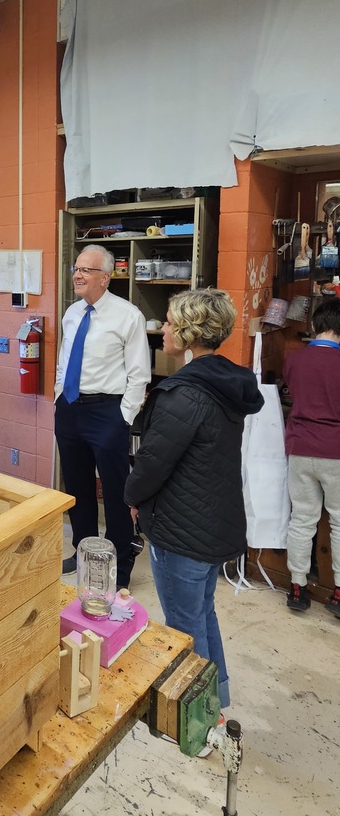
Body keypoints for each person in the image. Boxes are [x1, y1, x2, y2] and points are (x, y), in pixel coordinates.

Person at [125, 289, 263, 712]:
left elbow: (153, 462)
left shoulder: (185, 393)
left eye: (168, 322)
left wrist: (132, 496)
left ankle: (199, 721)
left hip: (181, 527)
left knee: (184, 628)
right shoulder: (224, 382)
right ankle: (215, 703)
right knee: (203, 614)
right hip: (213, 520)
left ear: (188, 331)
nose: (162, 329)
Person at [54, 245, 151, 587]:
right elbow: (65, 360)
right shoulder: (72, 313)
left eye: (86, 270)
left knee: (115, 491)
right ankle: (82, 550)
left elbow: (139, 374)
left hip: (107, 411)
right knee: (77, 486)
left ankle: (120, 564)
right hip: (69, 409)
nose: (77, 275)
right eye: (76, 269)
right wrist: (58, 396)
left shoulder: (128, 316)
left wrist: (123, 417)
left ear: (105, 278)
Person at [283, 298, 340, 616]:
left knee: (302, 519)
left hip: (300, 448)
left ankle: (296, 586)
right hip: (336, 451)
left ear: (317, 325)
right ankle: (338, 592)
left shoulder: (294, 359)